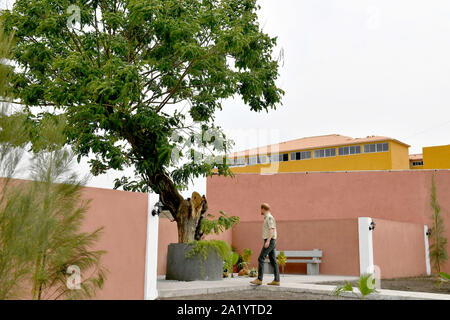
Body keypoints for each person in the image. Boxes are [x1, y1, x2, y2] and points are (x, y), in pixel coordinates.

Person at [250, 203, 280, 286]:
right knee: (273, 260)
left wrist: (268, 241)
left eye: (261, 209)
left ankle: (259, 279)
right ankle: (276, 280)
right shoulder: (267, 218)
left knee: (261, 258)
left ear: (263, 209)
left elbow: (271, 230)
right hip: (271, 240)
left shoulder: (269, 218)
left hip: (270, 240)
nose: (260, 211)